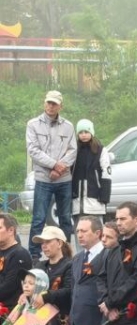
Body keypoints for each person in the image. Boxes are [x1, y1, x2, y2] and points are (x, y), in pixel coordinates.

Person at [27, 90, 76, 251]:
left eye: (54, 103)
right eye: (48, 102)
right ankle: (34, 256)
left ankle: (65, 253)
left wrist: (60, 169)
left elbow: (73, 151)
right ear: (44, 103)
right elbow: (33, 150)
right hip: (43, 179)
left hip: (64, 180)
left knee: (65, 219)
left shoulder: (68, 126)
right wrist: (54, 165)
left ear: (60, 106)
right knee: (39, 219)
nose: (50, 106)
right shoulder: (33, 124)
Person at [70, 119, 111, 227]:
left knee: (97, 233)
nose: (84, 135)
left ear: (91, 133)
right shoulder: (73, 151)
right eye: (81, 132)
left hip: (95, 201)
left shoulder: (101, 150)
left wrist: (104, 196)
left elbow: (106, 173)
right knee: (80, 234)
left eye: (86, 132)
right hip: (77, 202)